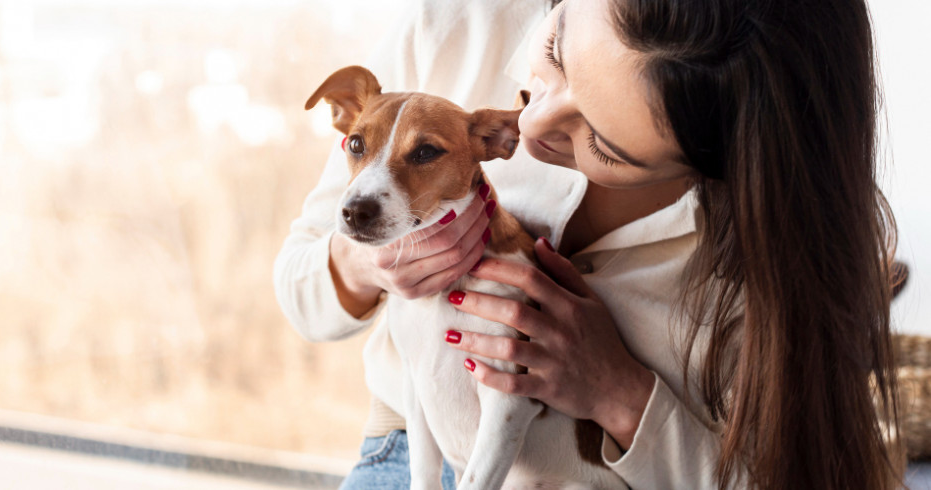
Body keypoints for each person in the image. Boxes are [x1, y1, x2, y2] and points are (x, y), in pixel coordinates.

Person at [274, 0, 904, 488]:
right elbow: (299, 288)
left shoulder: (770, 253)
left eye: (600, 144)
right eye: (555, 49)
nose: (530, 124)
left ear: (718, 164)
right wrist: (372, 261)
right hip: (408, 453)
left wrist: (620, 394)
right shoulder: (456, 22)